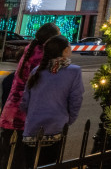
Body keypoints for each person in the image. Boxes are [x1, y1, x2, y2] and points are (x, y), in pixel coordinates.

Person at [0, 23, 60, 168]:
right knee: (24, 160)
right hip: (27, 118)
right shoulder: (43, 57)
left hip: (11, 114)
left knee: (9, 157)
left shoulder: (30, 51)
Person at [19, 35, 83, 168]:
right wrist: (67, 119)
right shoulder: (74, 71)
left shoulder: (37, 70)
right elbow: (76, 100)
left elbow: (25, 101)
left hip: (31, 131)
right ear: (65, 51)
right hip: (55, 129)